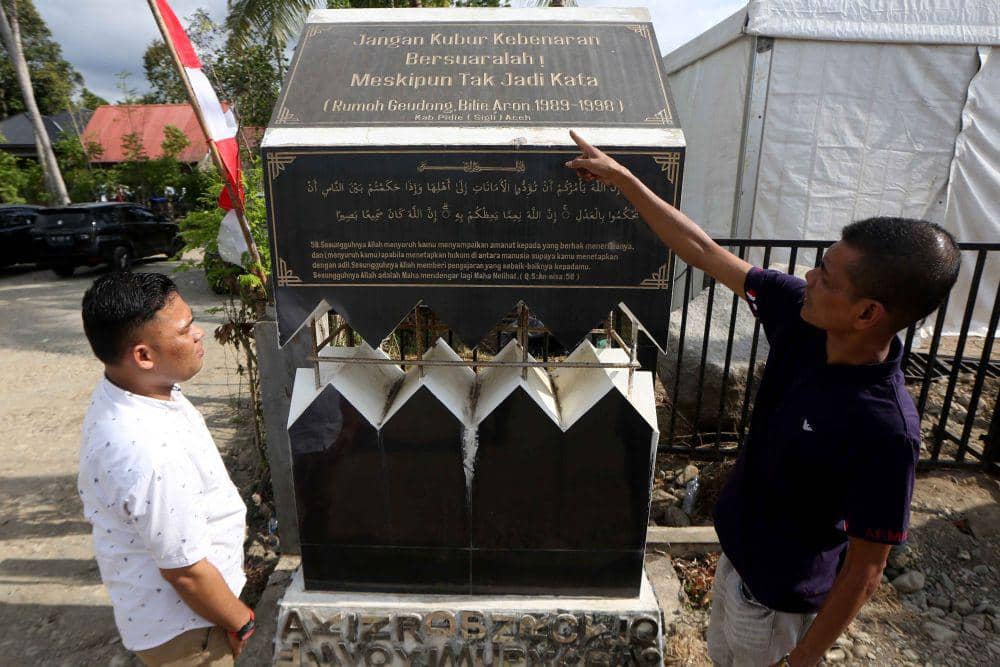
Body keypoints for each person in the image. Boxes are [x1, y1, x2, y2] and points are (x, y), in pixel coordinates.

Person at [566, 131, 960, 666]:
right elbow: (704, 252)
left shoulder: (886, 428)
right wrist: (623, 179)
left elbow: (867, 568)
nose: (808, 277)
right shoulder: (801, 317)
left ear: (867, 313)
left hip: (776, 603)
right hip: (736, 558)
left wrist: (803, 659)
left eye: (826, 276)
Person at [78, 272, 254, 666]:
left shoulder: (135, 387)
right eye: (186, 329)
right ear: (143, 355)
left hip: (189, 615)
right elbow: (187, 573)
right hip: (191, 631)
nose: (199, 334)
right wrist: (241, 622)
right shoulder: (147, 451)